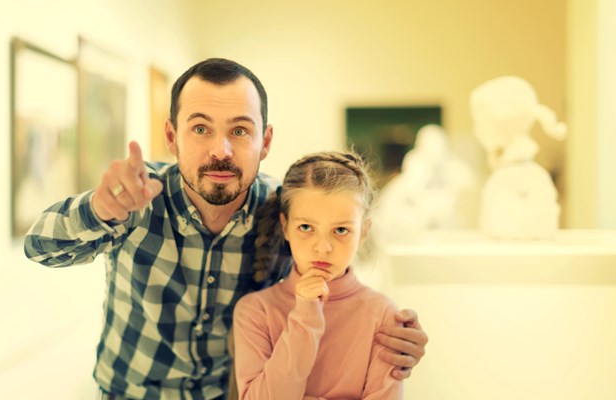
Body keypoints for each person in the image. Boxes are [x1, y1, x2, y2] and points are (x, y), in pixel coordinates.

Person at [24, 58, 427, 399]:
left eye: (240, 130)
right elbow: (39, 246)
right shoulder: (135, 198)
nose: (221, 150)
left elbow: (337, 285)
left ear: (265, 141)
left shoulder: (287, 210)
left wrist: (394, 333)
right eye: (201, 129)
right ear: (172, 136)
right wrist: (98, 208)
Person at [233, 151, 401, 399]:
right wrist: (306, 315)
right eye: (306, 227)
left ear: (363, 233)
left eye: (341, 230)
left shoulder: (383, 315)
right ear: (285, 226)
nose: (323, 247)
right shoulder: (255, 312)